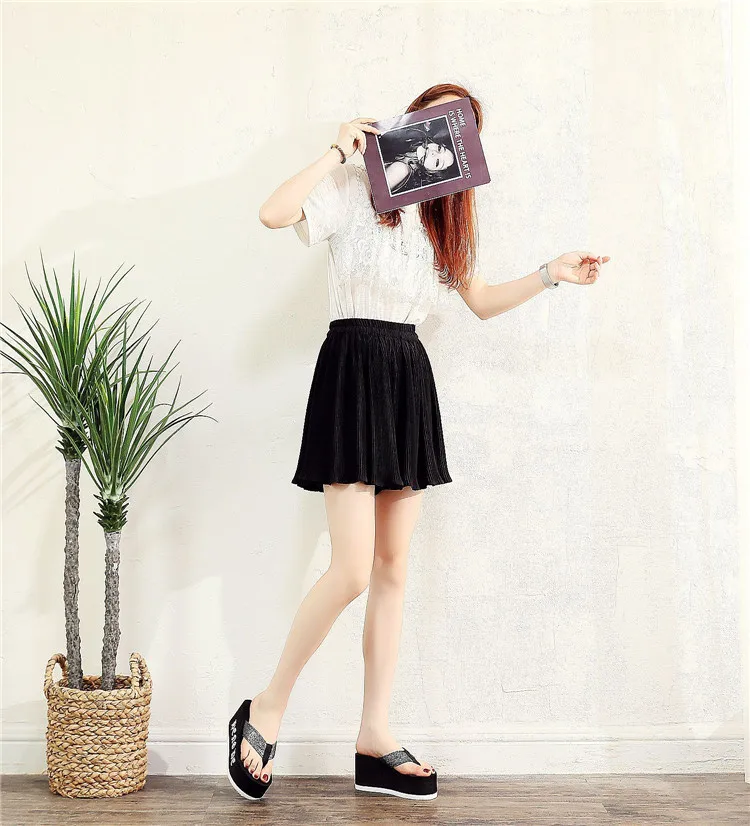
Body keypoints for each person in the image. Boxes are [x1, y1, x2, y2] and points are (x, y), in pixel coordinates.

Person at [227, 83, 610, 803]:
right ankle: (266, 708)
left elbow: (481, 301)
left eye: (461, 131)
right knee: (351, 569)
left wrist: (550, 275)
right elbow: (272, 213)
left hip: (406, 375)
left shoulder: (446, 224)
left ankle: (374, 736)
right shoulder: (354, 188)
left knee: (393, 568)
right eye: (436, 121)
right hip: (352, 367)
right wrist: (336, 150)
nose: (445, 139)